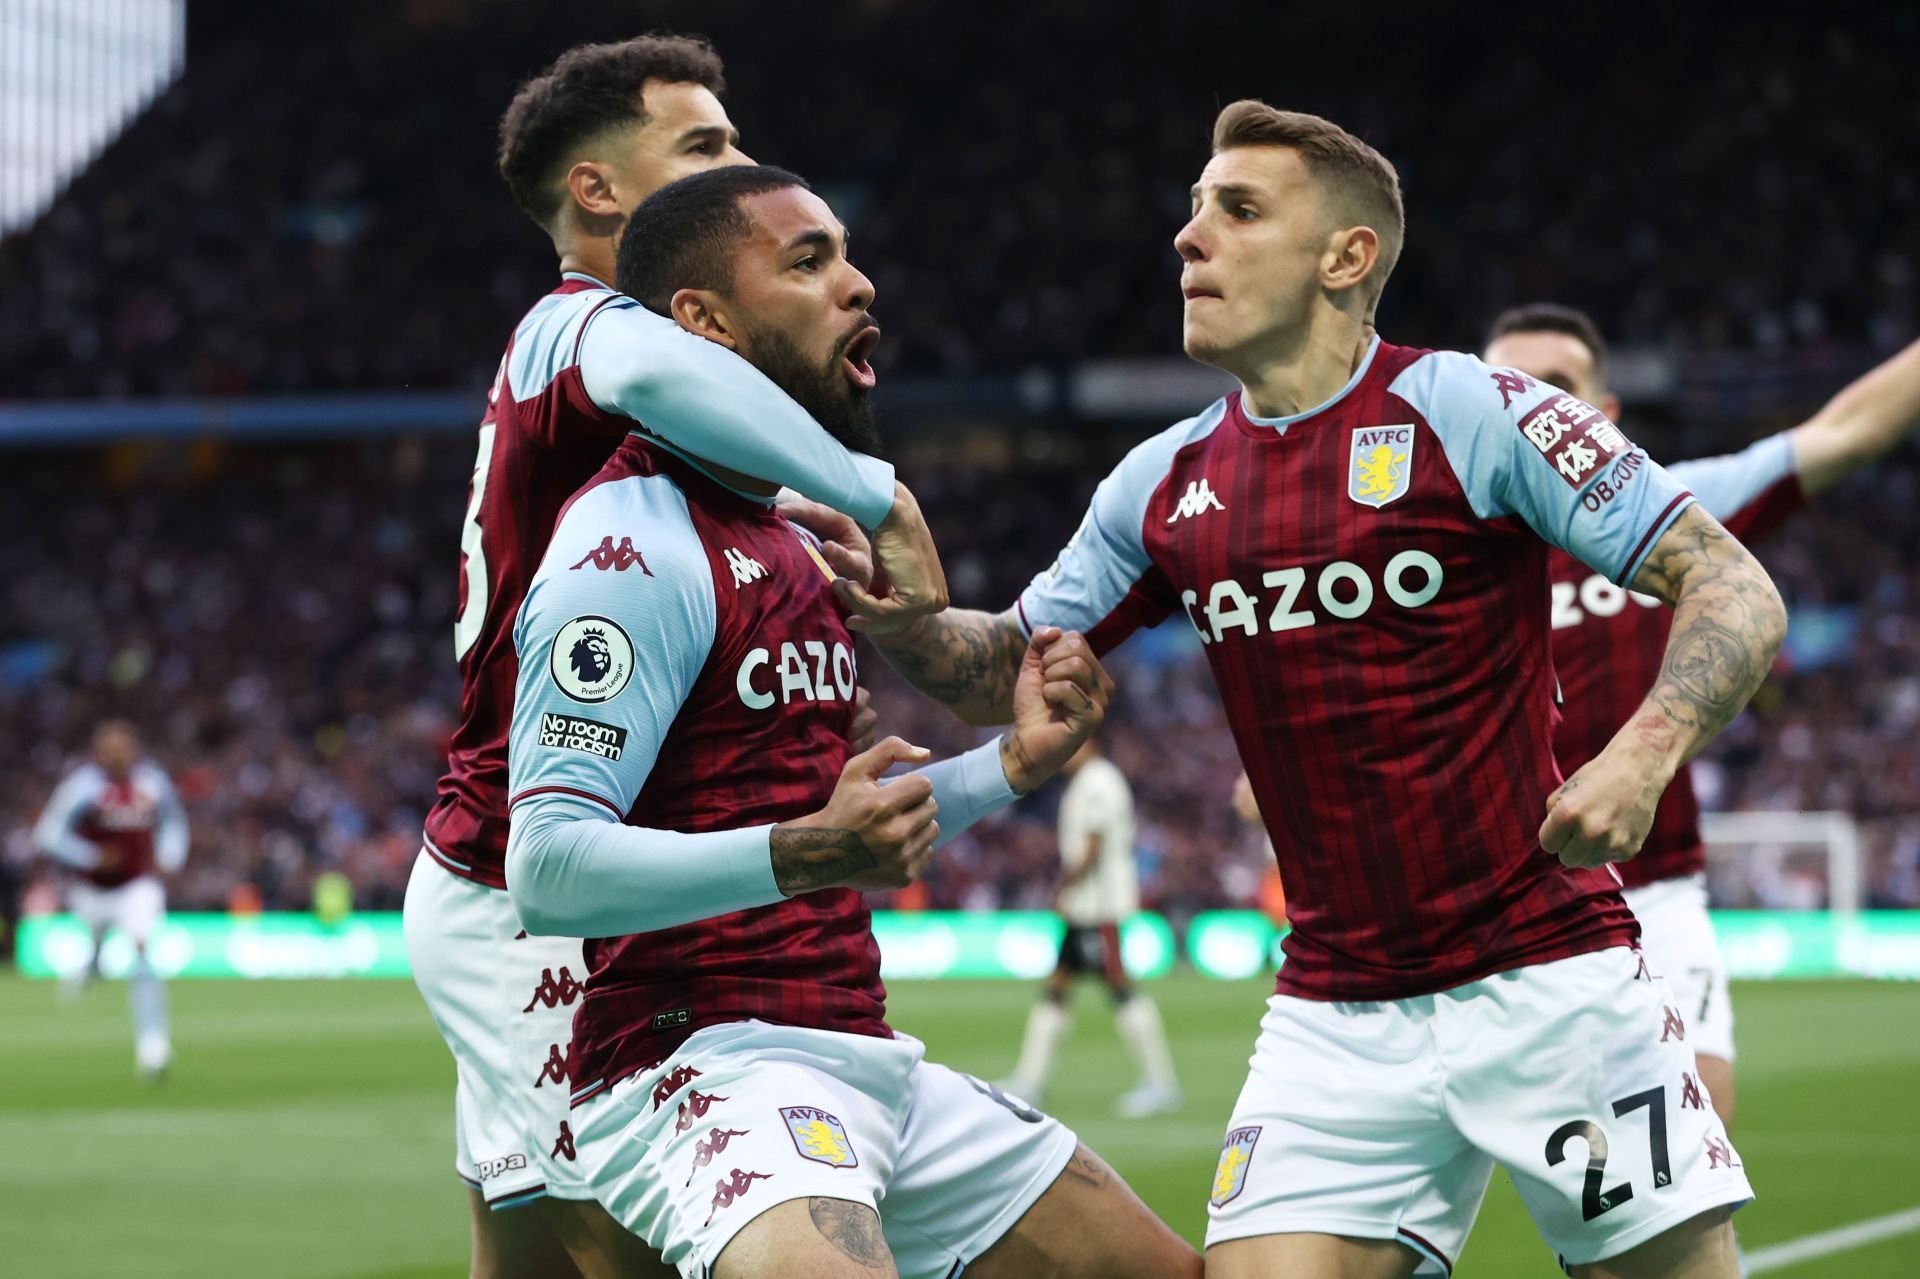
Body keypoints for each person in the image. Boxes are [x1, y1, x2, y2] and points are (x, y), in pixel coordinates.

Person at [830, 102, 1787, 1278]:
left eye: (1236, 210)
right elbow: (1007, 674)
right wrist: (914, 623)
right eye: (1192, 210)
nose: (1189, 238)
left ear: (1348, 257)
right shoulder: (1161, 483)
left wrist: (1641, 753)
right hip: (1335, 1011)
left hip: (1550, 981)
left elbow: (1733, 586)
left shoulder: (1473, 410)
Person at [504, 163, 1199, 1279]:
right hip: (706, 1059)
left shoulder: (787, 536)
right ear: (703, 323)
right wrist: (811, 848)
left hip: (860, 1048)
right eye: (809, 261)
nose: (860, 284)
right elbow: (545, 865)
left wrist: (1006, 767)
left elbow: (855, 826)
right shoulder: (629, 544)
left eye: (846, 252)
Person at [403, 34, 946, 1278]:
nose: (739, 164)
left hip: (509, 869)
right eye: (703, 145)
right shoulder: (577, 325)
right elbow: (655, 364)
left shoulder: (620, 391)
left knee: (534, 1253)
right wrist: (868, 490)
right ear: (597, 191)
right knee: (630, 1250)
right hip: (528, 885)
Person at [1485, 305, 1920, 1135]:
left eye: (1558, 388)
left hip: (1652, 898)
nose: (1531, 408)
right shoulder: (1436, 548)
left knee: (1694, 1185)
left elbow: (1843, 435)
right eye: (1511, 388)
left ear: (1600, 417)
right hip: (1490, 915)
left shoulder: (1665, 514)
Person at [1003, 734, 1181, 1117]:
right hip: (1087, 905)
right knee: (1057, 987)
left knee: (1118, 985)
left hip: (1100, 905)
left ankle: (1160, 1083)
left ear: (1089, 743)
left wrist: (1063, 887)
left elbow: (1095, 843)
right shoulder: (1089, 781)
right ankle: (1031, 1080)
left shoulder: (1100, 780)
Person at [33, 720, 187, 1080]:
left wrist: (170, 856)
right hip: (93, 892)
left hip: (138, 886)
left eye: (124, 747)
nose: (119, 756)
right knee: (98, 943)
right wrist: (89, 856)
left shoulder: (152, 782)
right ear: (98, 753)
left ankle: (153, 1045)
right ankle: (92, 964)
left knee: (143, 950)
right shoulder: (83, 787)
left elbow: (174, 821)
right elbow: (48, 834)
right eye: (111, 749)